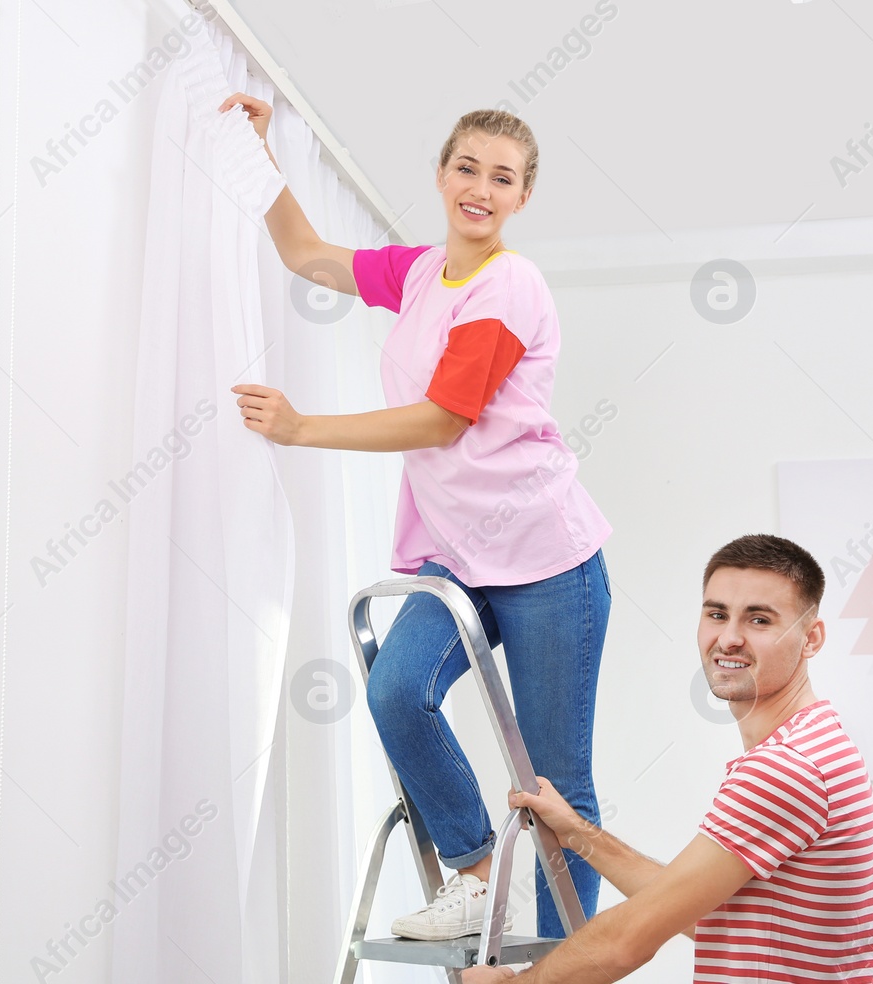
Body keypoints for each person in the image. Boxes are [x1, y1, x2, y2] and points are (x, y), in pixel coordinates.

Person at [217, 94, 611, 942]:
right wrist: (260, 156)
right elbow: (309, 256)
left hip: (547, 559)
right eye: (467, 167)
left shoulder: (511, 286)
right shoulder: (423, 272)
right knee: (398, 694)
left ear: (522, 198)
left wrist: (301, 429)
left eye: (502, 178)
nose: (480, 187)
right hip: (458, 555)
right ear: (441, 174)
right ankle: (477, 877)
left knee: (556, 786)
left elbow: (443, 418)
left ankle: (563, 960)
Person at [463, 534, 873, 983]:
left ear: (810, 637)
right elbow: (703, 913)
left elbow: (628, 941)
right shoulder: (815, 742)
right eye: (717, 614)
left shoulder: (786, 768)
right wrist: (576, 833)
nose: (730, 638)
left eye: (759, 619)